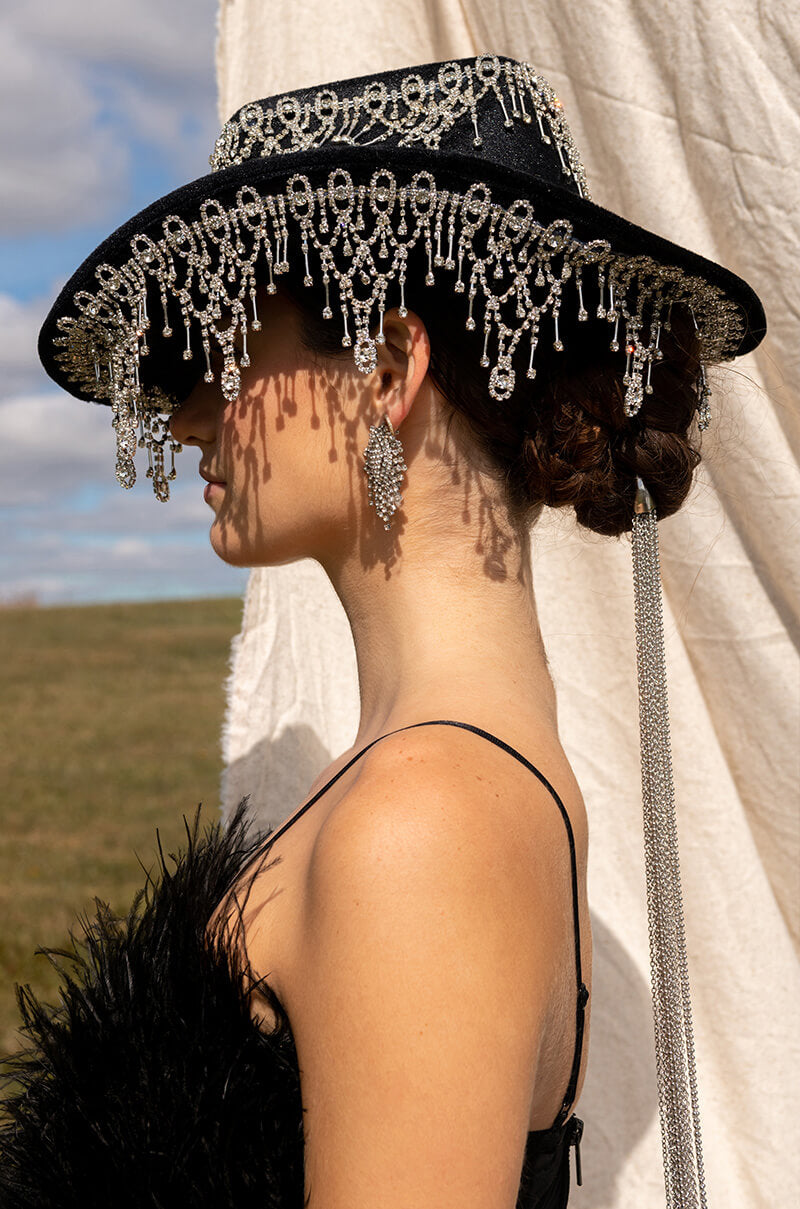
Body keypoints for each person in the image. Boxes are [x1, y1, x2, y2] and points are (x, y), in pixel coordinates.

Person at [4, 53, 765, 1209]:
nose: (190, 414)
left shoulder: (422, 823)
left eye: (223, 353)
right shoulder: (437, 780)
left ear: (385, 372)